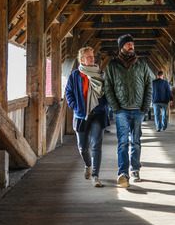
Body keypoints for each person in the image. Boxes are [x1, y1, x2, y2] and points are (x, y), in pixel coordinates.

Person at [105, 34, 153, 188]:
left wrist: (145, 109)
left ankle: (135, 170)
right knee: (123, 142)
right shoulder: (112, 65)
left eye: (132, 44)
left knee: (137, 142)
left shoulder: (142, 65)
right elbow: (108, 89)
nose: (131, 46)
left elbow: (148, 87)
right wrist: (116, 109)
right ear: (121, 47)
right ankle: (123, 173)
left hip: (138, 110)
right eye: (127, 44)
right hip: (122, 111)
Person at [65, 47, 109, 188]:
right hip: (81, 114)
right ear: (82, 59)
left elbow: (108, 92)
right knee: (82, 148)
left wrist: (104, 104)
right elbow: (68, 92)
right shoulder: (75, 75)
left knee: (96, 145)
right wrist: (75, 106)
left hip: (98, 114)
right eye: (88, 56)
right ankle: (88, 165)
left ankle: (95, 175)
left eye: (92, 56)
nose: (92, 58)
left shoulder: (101, 74)